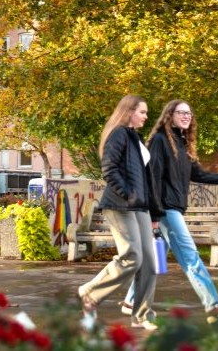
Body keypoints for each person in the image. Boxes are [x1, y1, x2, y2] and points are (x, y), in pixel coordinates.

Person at [121, 100, 218, 322]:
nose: (186, 116)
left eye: (189, 113)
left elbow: (199, 175)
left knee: (153, 261)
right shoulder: (160, 141)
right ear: (169, 115)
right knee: (191, 256)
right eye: (181, 112)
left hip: (173, 209)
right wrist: (155, 215)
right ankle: (213, 305)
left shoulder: (182, 145)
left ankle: (132, 300)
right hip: (166, 210)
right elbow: (153, 179)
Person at [78, 95, 163, 331]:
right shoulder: (119, 134)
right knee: (132, 256)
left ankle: (142, 315)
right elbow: (109, 169)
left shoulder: (135, 138)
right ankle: (90, 293)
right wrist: (127, 194)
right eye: (142, 112)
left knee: (149, 262)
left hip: (140, 207)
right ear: (129, 112)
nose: (146, 116)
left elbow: (147, 180)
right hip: (119, 205)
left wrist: (154, 213)